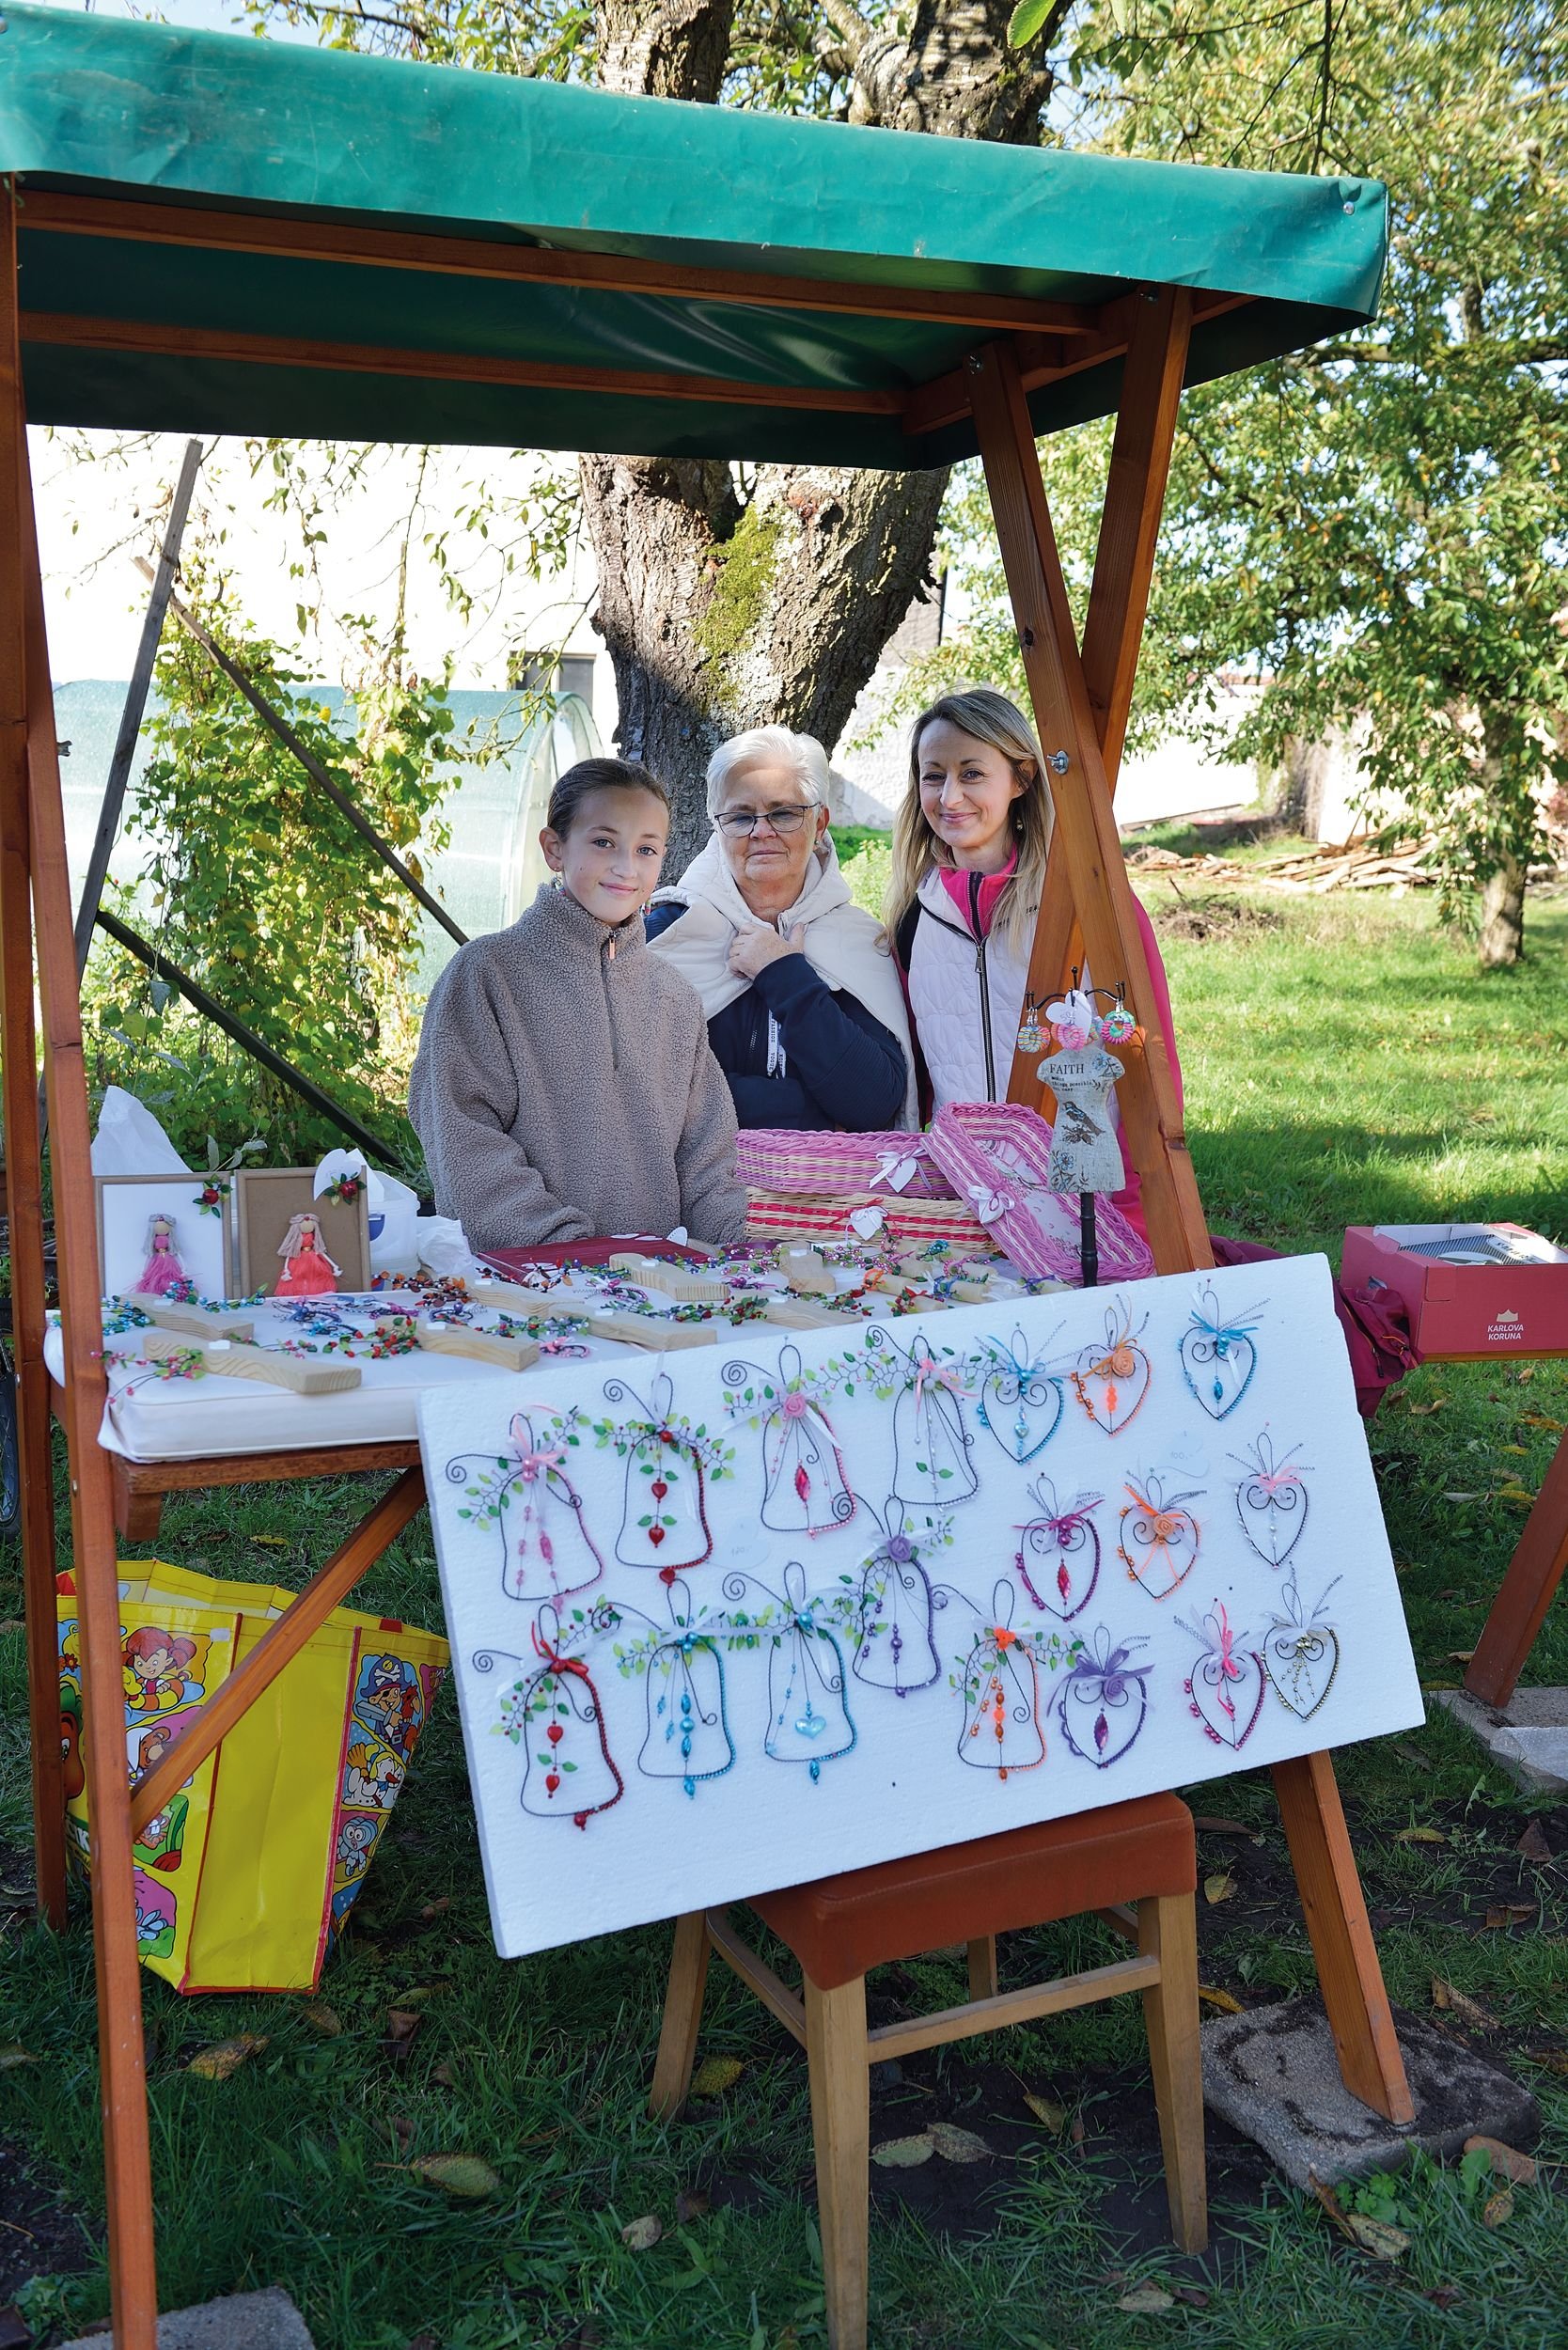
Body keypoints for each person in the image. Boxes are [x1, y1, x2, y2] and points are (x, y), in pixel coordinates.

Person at [411, 757, 746, 1252]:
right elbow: (463, 1139)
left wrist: (734, 1255)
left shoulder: (674, 997)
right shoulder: (487, 974)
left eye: (646, 849)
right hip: (527, 1280)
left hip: (658, 1284)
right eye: (604, 842)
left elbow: (708, 1157)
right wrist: (573, 1251)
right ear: (554, 848)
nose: (626, 867)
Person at [886, 687, 1181, 1240]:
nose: (950, 796)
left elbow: (1148, 1054)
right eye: (933, 776)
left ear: (1020, 779)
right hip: (968, 1200)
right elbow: (918, 1076)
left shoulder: (1090, 906)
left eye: (973, 773)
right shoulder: (913, 917)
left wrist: (1134, 1201)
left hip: (1087, 1202)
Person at [645, 727, 915, 1131]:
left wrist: (785, 975)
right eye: (740, 817)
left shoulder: (860, 941)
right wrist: (817, 1115)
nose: (761, 831)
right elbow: (648, 1089)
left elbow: (873, 1102)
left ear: (819, 823)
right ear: (717, 827)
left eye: (784, 813)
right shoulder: (668, 933)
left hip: (822, 1175)